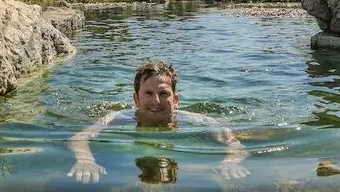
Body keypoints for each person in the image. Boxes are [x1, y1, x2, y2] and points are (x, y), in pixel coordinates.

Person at [67, 61, 250, 183]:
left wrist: (232, 161)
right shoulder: (116, 118)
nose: (156, 101)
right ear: (136, 99)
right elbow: (80, 138)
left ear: (175, 100)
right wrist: (85, 159)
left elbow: (232, 142)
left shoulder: (198, 120)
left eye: (163, 94)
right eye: (148, 94)